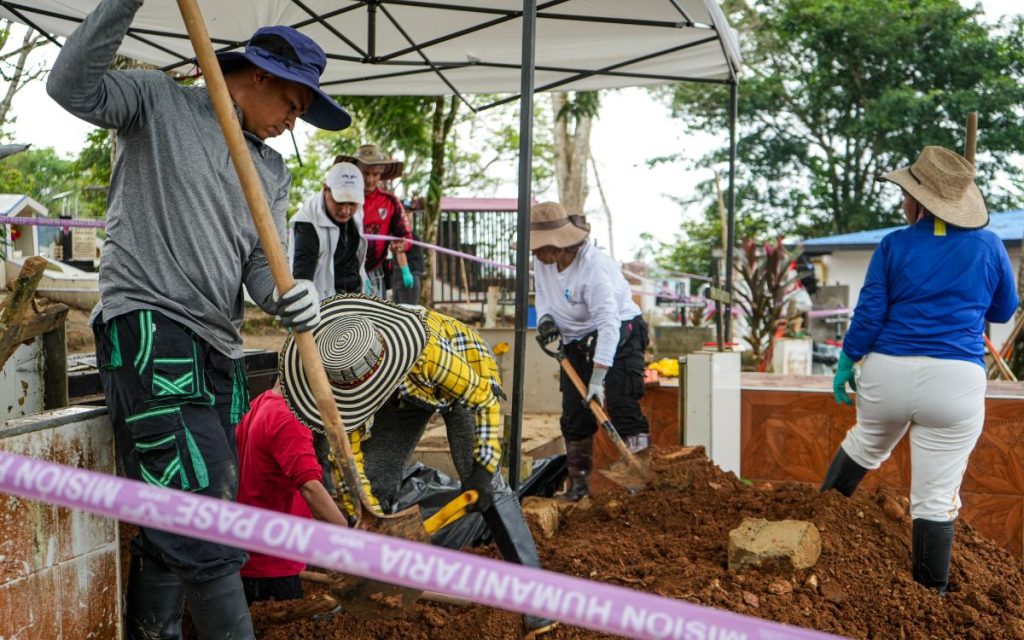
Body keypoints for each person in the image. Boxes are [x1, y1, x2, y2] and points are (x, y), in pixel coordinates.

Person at [47, 1, 348, 636]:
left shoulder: (269, 168)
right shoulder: (159, 103)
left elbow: (263, 272)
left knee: (177, 513)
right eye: (294, 104)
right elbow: (67, 86)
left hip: (216, 348)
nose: (294, 123)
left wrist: (291, 296)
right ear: (260, 74)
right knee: (207, 511)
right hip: (150, 328)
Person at [279, 294, 557, 636]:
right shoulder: (339, 384)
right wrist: (365, 519)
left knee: (478, 472)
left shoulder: (427, 352)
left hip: (460, 376)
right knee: (376, 478)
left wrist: (485, 467)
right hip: (401, 393)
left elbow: (481, 397)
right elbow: (349, 464)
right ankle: (365, 590)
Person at [822, 146, 1018, 595]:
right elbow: (1005, 309)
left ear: (919, 202)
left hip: (887, 374)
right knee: (934, 497)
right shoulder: (988, 245)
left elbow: (870, 314)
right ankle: (930, 596)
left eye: (906, 194)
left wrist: (848, 359)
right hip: (955, 382)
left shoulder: (893, 243)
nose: (901, 203)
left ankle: (819, 524)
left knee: (865, 444)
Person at [531, 202, 650, 501]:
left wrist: (598, 378)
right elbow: (543, 296)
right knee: (574, 415)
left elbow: (609, 323)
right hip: (573, 340)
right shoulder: (541, 262)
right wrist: (546, 319)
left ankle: (640, 485)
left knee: (623, 408)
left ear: (557, 245)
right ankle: (579, 487)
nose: (533, 252)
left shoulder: (593, 267)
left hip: (619, 334)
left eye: (537, 246)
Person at [235, 378, 348, 604]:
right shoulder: (290, 419)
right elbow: (310, 487)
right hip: (273, 563)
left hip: (251, 550)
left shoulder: (263, 402)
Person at [335, 144, 412, 297]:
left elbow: (405, 236)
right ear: (355, 170)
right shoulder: (339, 198)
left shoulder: (389, 202)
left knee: (375, 319)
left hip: (375, 273)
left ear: (382, 173)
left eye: (375, 174)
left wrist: (401, 246)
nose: (370, 180)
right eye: (365, 173)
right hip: (341, 272)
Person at [289, 162, 368, 299]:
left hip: (354, 295)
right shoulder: (307, 222)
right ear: (326, 189)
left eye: (352, 204)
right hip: (323, 301)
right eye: (339, 201)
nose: (345, 211)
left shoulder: (358, 210)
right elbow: (302, 277)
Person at [390, 208, 425, 305]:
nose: (407, 215)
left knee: (402, 310)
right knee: (408, 310)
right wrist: (406, 272)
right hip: (408, 275)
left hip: (406, 275)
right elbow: (400, 251)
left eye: (409, 212)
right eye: (404, 212)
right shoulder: (400, 232)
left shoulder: (406, 232)